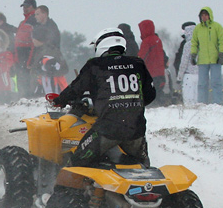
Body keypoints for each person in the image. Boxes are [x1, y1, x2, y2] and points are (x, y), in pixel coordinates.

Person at [50, 27, 156, 167]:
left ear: (101, 45)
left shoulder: (95, 65)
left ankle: (61, 182)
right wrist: (129, 104)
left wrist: (59, 100)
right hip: (136, 130)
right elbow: (150, 95)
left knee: (76, 162)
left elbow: (75, 89)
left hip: (108, 129)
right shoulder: (138, 64)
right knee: (143, 166)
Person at [189, 6, 223, 105]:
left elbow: (222, 41)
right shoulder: (198, 29)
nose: (204, 17)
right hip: (202, 60)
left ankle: (217, 103)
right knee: (202, 84)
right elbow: (194, 43)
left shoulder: (217, 27)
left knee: (216, 82)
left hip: (215, 59)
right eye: (202, 15)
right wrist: (193, 54)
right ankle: (202, 103)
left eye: (206, 15)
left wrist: (221, 53)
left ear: (210, 15)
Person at [31, 5, 66, 95]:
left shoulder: (52, 26)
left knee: (51, 80)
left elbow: (53, 43)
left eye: (37, 14)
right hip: (42, 57)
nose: (35, 17)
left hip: (51, 58)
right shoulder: (39, 27)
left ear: (45, 14)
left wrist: (41, 44)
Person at [137, 19, 166, 105]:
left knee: (151, 92)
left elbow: (142, 56)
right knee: (158, 91)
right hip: (160, 71)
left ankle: (155, 106)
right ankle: (162, 105)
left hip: (151, 72)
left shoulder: (146, 41)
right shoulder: (157, 39)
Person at [14, 0, 38, 96]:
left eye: (27, 6)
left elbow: (34, 39)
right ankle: (23, 97)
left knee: (27, 78)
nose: (25, 8)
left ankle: (28, 97)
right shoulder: (24, 21)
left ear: (33, 7)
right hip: (20, 53)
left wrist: (31, 59)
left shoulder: (34, 20)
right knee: (21, 77)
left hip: (27, 52)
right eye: (24, 6)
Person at [175, 22, 198, 105]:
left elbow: (184, 62)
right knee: (197, 99)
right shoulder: (202, 43)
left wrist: (179, 77)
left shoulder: (188, 45)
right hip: (200, 75)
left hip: (189, 75)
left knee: (188, 100)